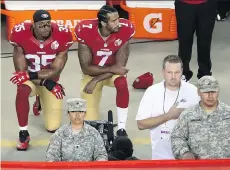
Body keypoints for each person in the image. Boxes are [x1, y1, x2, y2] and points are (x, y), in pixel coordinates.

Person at [9, 9, 73, 150]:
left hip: (49, 78)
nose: (46, 28)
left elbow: (55, 70)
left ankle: (40, 98)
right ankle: (23, 133)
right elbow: (22, 74)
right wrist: (45, 82)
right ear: (33, 25)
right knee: (22, 89)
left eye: (48, 24)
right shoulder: (20, 33)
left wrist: (43, 80)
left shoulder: (63, 34)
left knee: (52, 127)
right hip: (37, 81)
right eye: (41, 25)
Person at [74, 5, 135, 137]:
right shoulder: (85, 30)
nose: (118, 23)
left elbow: (119, 67)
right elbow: (86, 67)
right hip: (92, 73)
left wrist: (96, 80)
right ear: (103, 23)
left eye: (118, 19)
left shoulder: (125, 29)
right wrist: (98, 76)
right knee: (90, 125)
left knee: (122, 84)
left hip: (108, 74)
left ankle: (122, 128)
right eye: (113, 21)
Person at [135, 55, 200, 160]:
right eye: (169, 72)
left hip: (188, 157)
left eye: (177, 72)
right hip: (161, 158)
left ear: (182, 71)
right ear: (163, 72)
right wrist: (169, 116)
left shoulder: (193, 91)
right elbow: (141, 124)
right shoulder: (152, 92)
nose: (173, 76)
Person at [171, 76, 230, 159]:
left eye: (213, 91)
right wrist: (184, 153)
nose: (210, 96)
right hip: (197, 166)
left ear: (218, 91)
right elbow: (177, 137)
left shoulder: (228, 113)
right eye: (206, 92)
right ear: (198, 92)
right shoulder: (188, 115)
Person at [175, 0, 218, 81]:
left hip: (207, 3)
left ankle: (205, 73)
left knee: (205, 40)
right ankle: (183, 72)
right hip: (184, 3)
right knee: (184, 40)